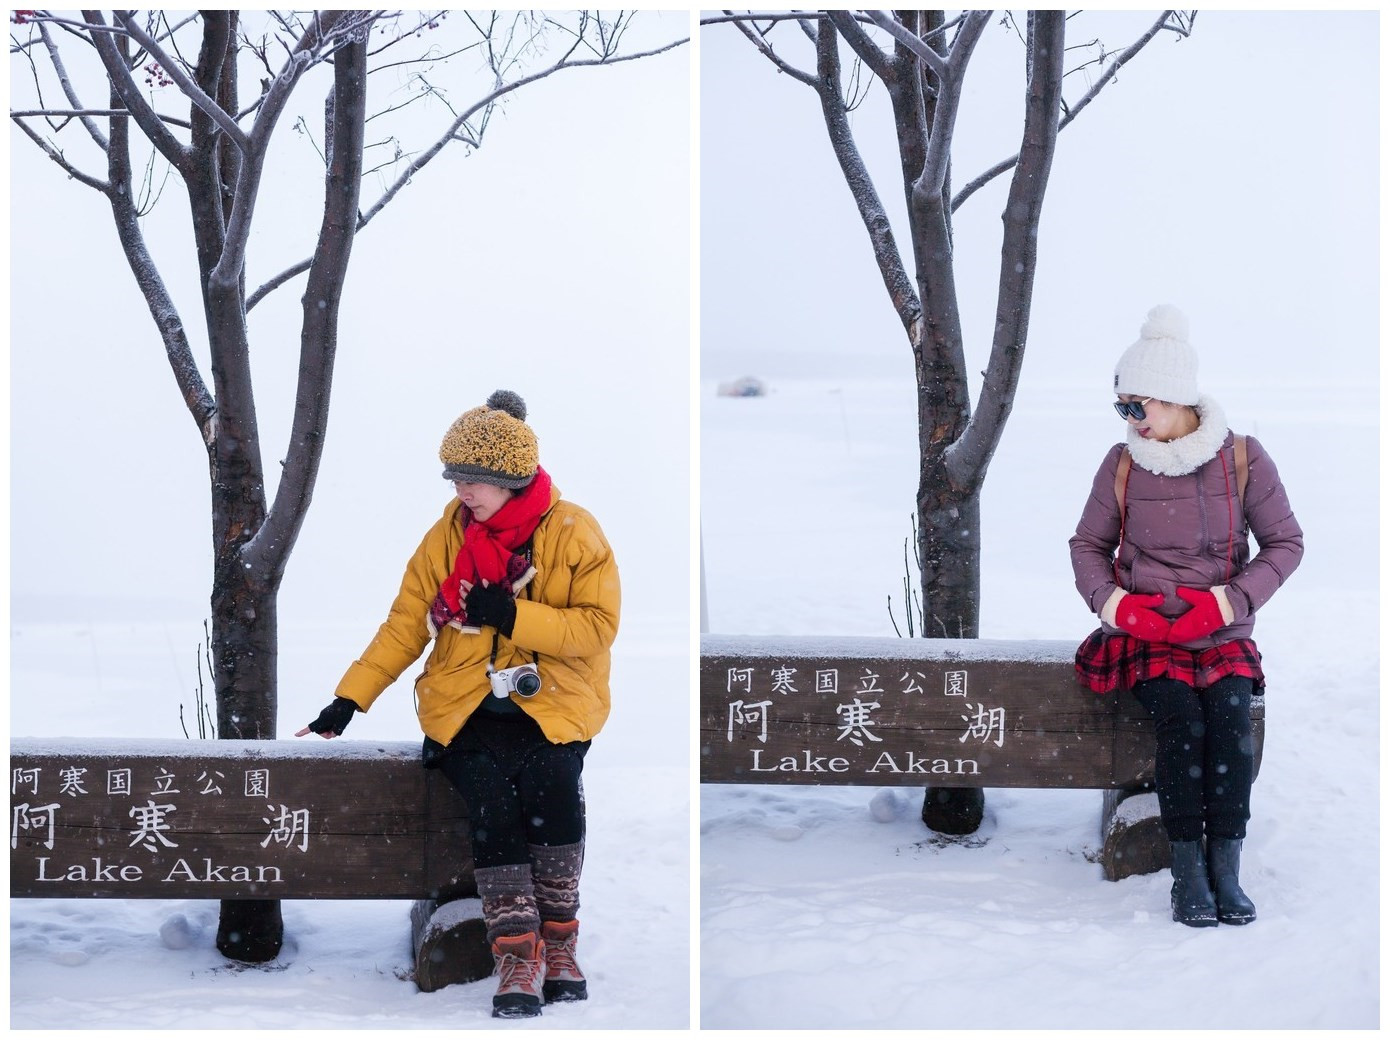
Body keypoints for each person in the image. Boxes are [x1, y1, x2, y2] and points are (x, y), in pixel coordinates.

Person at [299, 389, 620, 1017]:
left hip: (554, 706)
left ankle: (560, 944)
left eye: (474, 479)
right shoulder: (445, 537)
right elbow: (405, 623)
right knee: (493, 812)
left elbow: (596, 628)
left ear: (512, 479)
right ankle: (516, 957)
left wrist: (510, 614)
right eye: (455, 478)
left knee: (555, 799)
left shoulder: (575, 531)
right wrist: (350, 698)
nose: (461, 491)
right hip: (465, 711)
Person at [1069, 305, 1302, 928]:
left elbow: (1286, 544)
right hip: (1145, 634)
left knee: (1228, 718)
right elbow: (1087, 547)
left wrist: (1226, 603)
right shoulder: (1120, 465)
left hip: (1220, 630)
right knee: (1179, 720)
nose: (1129, 420)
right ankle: (1187, 869)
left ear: (1174, 398)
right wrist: (1119, 607)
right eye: (1121, 407)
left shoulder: (1244, 459)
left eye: (1136, 405)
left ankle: (1226, 865)